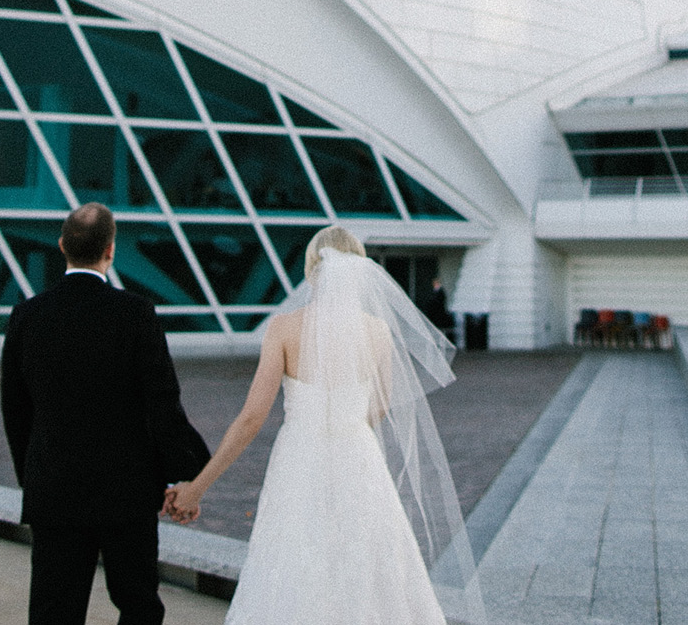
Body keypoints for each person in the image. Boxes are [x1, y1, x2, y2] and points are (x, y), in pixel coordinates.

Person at [165, 225, 485, 624]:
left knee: (295, 565)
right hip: (359, 458)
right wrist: (346, 425)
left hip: (300, 460)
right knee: (368, 567)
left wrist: (197, 488)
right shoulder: (378, 331)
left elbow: (251, 419)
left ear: (312, 269)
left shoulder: (284, 328)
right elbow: (381, 405)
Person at [1, 202, 212, 625]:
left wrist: (34, 478)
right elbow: (162, 403)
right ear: (111, 250)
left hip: (55, 488)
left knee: (52, 611)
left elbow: (15, 408)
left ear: (62, 246)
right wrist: (185, 476)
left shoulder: (27, 315)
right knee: (138, 606)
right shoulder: (135, 313)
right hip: (127, 491)